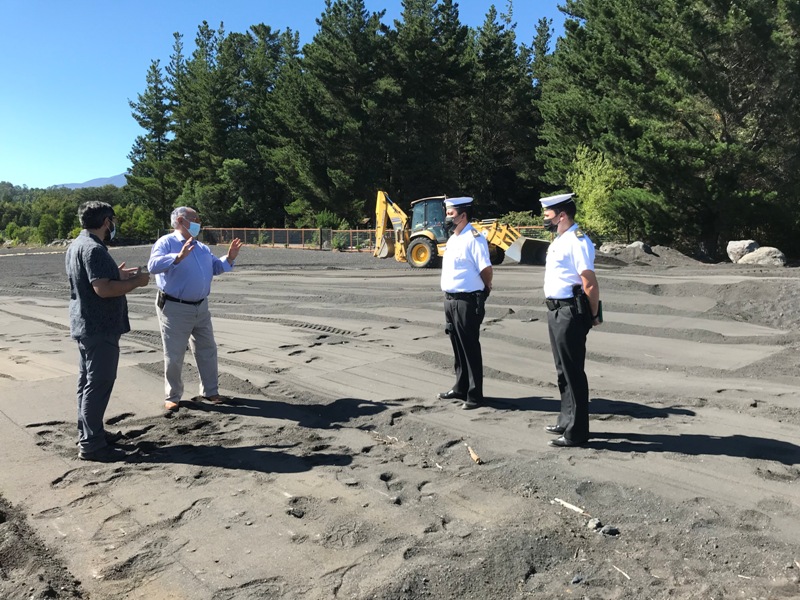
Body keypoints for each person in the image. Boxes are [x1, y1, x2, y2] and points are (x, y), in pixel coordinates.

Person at [66, 201, 150, 461]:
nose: (113, 226)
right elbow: (102, 288)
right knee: (98, 383)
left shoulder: (77, 244)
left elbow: (93, 279)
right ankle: (91, 445)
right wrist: (137, 282)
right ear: (105, 222)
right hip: (99, 327)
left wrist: (118, 274)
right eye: (111, 221)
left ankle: (91, 432)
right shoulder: (93, 249)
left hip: (84, 324)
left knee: (87, 383)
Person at [147, 207, 242, 412]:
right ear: (181, 220)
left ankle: (210, 391)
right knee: (175, 353)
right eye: (195, 219)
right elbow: (152, 266)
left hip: (201, 306)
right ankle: (172, 396)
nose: (199, 222)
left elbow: (216, 267)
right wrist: (177, 257)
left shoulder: (201, 247)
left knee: (207, 349)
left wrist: (230, 258)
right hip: (175, 307)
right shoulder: (166, 242)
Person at [539, 193, 601, 447]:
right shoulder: (560, 240)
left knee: (574, 372)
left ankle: (577, 432)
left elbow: (589, 282)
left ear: (561, 215)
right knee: (562, 370)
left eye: (548, 214)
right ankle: (566, 419)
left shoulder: (577, 241)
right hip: (556, 310)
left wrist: (593, 314)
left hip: (570, 312)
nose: (545, 219)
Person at [437, 197, 493, 410]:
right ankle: (460, 386)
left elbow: (486, 269)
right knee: (457, 347)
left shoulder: (474, 238)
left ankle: (474, 394)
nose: (447, 217)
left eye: (451, 214)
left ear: (463, 215)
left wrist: (486, 287)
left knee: (469, 347)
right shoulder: (453, 239)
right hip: (450, 300)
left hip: (467, 300)